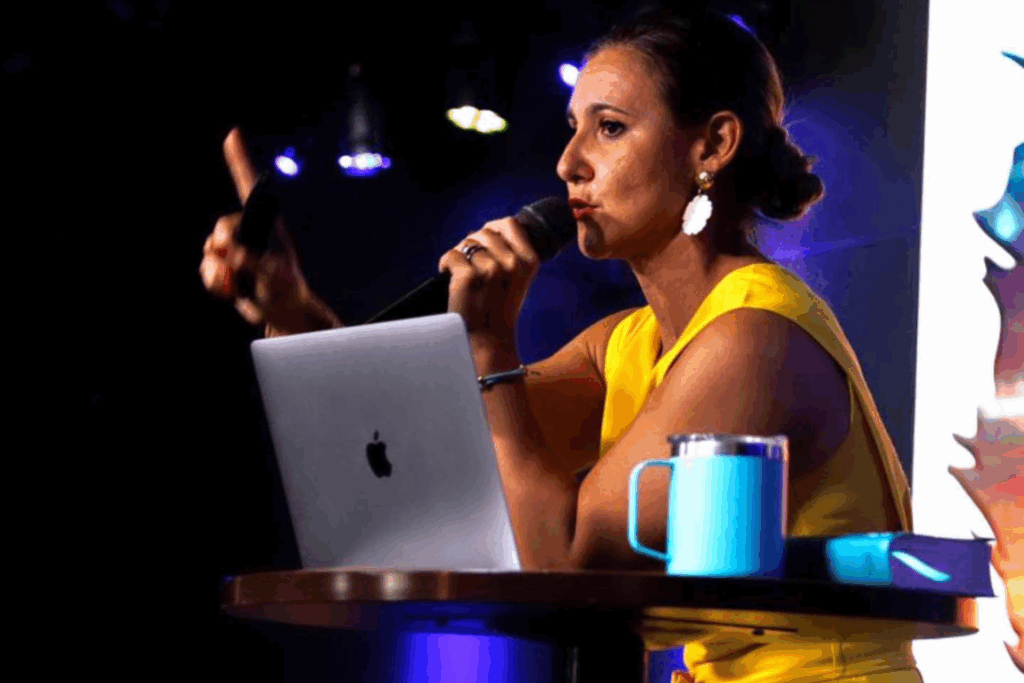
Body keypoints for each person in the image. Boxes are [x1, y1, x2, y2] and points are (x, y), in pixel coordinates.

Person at [200, 9, 918, 683]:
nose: (568, 163)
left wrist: (488, 348)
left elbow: (565, 565)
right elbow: (411, 447)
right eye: (573, 129)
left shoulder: (757, 339)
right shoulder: (624, 344)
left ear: (713, 146)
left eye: (608, 128)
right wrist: (293, 312)